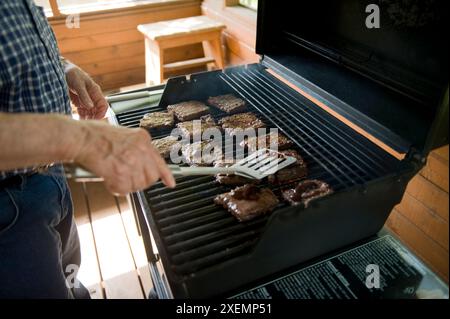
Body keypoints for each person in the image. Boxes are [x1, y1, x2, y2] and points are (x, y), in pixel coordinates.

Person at [0, 1, 175, 298]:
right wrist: (81, 139)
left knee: (68, 276)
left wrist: (63, 67)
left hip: (48, 175)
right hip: (8, 207)